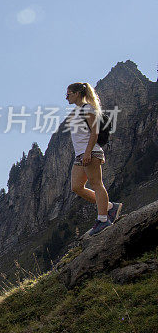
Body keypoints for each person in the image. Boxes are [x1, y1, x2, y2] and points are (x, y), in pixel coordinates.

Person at [66, 82, 122, 236]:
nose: (66, 97)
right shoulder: (77, 111)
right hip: (80, 155)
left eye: (69, 93)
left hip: (90, 153)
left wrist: (88, 152)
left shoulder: (88, 109)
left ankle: (103, 220)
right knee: (76, 187)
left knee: (97, 183)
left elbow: (94, 133)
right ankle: (110, 207)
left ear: (77, 93)